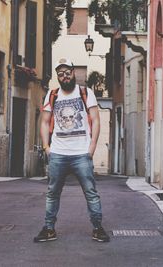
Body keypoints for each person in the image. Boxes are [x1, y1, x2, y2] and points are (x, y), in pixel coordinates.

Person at [33, 58, 110, 243]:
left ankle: (98, 228)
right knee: (52, 193)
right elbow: (44, 122)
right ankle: (49, 229)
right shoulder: (52, 95)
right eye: (60, 73)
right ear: (57, 76)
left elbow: (96, 120)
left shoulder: (85, 92)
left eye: (67, 72)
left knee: (90, 192)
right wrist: (47, 147)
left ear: (73, 72)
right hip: (58, 153)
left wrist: (91, 148)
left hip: (81, 154)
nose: (64, 76)